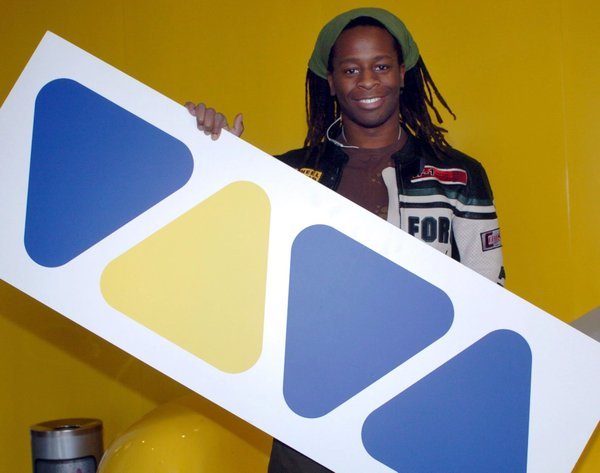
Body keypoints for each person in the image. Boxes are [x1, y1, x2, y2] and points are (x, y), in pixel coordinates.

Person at [187, 7, 505, 472]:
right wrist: (212, 160)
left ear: (402, 74)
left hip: (421, 403)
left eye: (381, 66)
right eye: (351, 70)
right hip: (310, 407)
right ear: (331, 82)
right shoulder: (289, 173)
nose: (368, 81)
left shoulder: (457, 174)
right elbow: (227, 262)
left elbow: (489, 295)